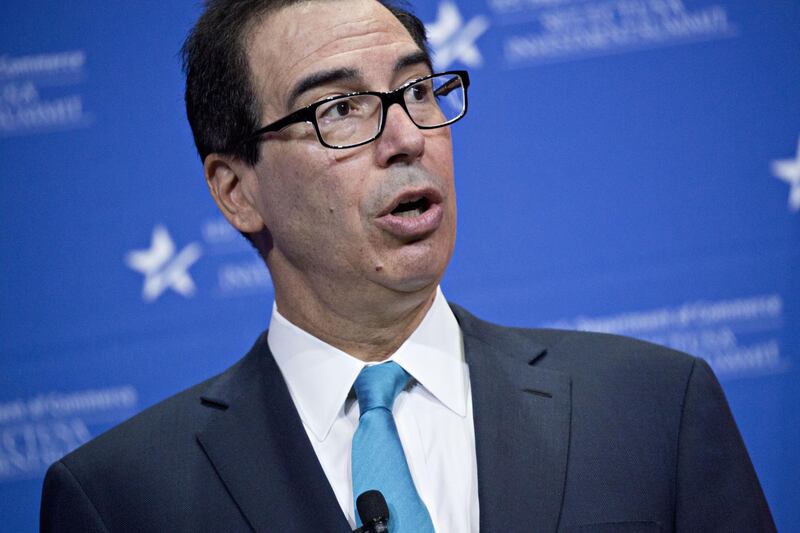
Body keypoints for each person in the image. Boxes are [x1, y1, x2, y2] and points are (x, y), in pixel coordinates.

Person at [40, 0, 776, 531]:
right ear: (237, 191)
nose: (405, 137)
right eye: (340, 108)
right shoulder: (122, 497)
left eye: (418, 90)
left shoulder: (653, 406)